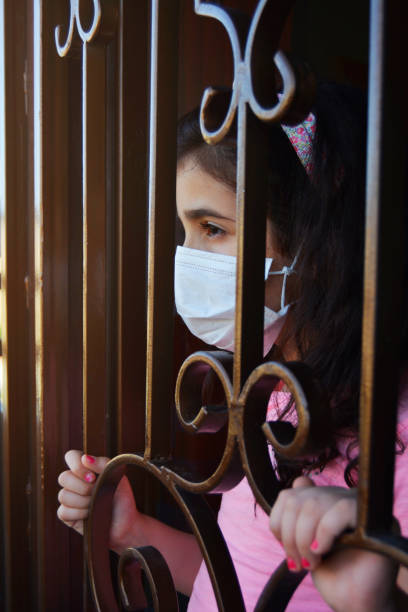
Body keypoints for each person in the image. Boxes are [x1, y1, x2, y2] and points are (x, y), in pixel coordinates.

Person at [57, 82, 408, 611]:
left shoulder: (395, 430)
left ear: (311, 243)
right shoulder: (274, 394)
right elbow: (230, 581)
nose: (188, 257)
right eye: (185, 230)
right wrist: (130, 530)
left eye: (212, 228)